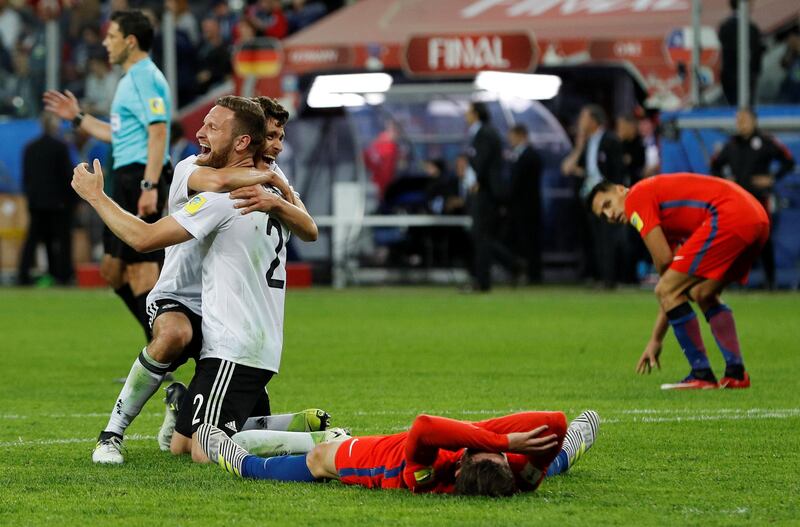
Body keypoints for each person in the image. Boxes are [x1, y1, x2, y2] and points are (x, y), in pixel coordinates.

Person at [72, 96, 318, 464]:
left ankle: (189, 407)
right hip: (182, 295)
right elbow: (217, 181)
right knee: (175, 335)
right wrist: (270, 182)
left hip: (227, 312)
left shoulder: (270, 182)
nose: (276, 146)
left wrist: (278, 197)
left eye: (279, 137)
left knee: (203, 438)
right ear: (247, 140)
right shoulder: (193, 168)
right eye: (270, 136)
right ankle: (112, 433)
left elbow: (309, 227)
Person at [43, 9, 172, 342]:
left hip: (142, 175)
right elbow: (119, 134)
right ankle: (163, 344)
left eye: (112, 36)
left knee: (142, 270)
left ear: (130, 41)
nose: (106, 42)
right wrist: (77, 117)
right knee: (113, 271)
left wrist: (150, 184)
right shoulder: (130, 80)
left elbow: (158, 132)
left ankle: (163, 352)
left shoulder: (144, 76)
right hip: (128, 175)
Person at [587, 174, 769, 390]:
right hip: (756, 217)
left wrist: (656, 338)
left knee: (667, 289)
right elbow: (675, 285)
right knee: (703, 293)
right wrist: (657, 337)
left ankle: (701, 374)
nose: (609, 215)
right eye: (603, 215)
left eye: (607, 205)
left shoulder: (636, 198)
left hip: (730, 215)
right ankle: (736, 374)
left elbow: (665, 267)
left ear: (620, 189)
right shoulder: (659, 209)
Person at [197, 410, 600, 496]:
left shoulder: (426, 476)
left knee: (321, 459)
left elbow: (424, 427)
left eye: (471, 450)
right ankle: (569, 451)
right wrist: (514, 452)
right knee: (546, 452)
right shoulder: (519, 481)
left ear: (460, 461)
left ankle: (241, 461)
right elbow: (556, 421)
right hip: (500, 469)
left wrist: (499, 442)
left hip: (382, 460)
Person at [710, 108, 795, 289]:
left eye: (744, 120)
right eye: (738, 120)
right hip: (737, 200)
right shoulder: (731, 144)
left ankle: (770, 281)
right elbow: (714, 165)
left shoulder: (766, 142)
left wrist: (772, 178)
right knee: (735, 239)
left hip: (759, 199)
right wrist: (725, 180)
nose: (741, 124)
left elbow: (789, 161)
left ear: (754, 121)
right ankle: (732, 281)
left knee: (763, 239)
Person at [562, 104, 625, 288]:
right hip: (591, 197)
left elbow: (617, 170)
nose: (580, 122)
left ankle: (610, 279)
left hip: (607, 196)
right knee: (595, 238)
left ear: (593, 120)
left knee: (607, 237)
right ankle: (599, 276)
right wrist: (579, 146)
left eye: (583, 118)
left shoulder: (611, 140)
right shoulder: (588, 142)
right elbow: (570, 168)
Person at [464, 101, 520, 292]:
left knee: (482, 236)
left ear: (476, 114)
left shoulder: (485, 133)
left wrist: (477, 179)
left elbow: (482, 162)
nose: (466, 115)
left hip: (486, 192)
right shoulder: (481, 133)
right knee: (481, 236)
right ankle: (507, 267)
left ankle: (484, 280)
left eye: (469, 111)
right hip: (483, 191)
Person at [17, 112, 76, 286]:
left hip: (36, 203)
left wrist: (30, 199)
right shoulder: (60, 147)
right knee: (63, 239)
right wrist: (73, 201)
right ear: (54, 125)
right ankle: (63, 275)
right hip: (59, 203)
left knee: (33, 239)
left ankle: (23, 274)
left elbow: (26, 177)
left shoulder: (30, 147)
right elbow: (67, 177)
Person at [507, 124, 542, 283]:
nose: (510, 139)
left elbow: (519, 182)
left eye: (512, 136)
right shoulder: (517, 155)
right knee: (522, 241)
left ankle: (534, 275)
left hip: (528, 206)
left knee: (531, 241)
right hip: (519, 207)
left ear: (520, 135)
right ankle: (526, 272)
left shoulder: (530, 155)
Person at [718, 0, 764, 106]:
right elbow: (756, 55)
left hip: (728, 77)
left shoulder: (724, 27)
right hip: (745, 77)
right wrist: (755, 73)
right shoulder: (751, 28)